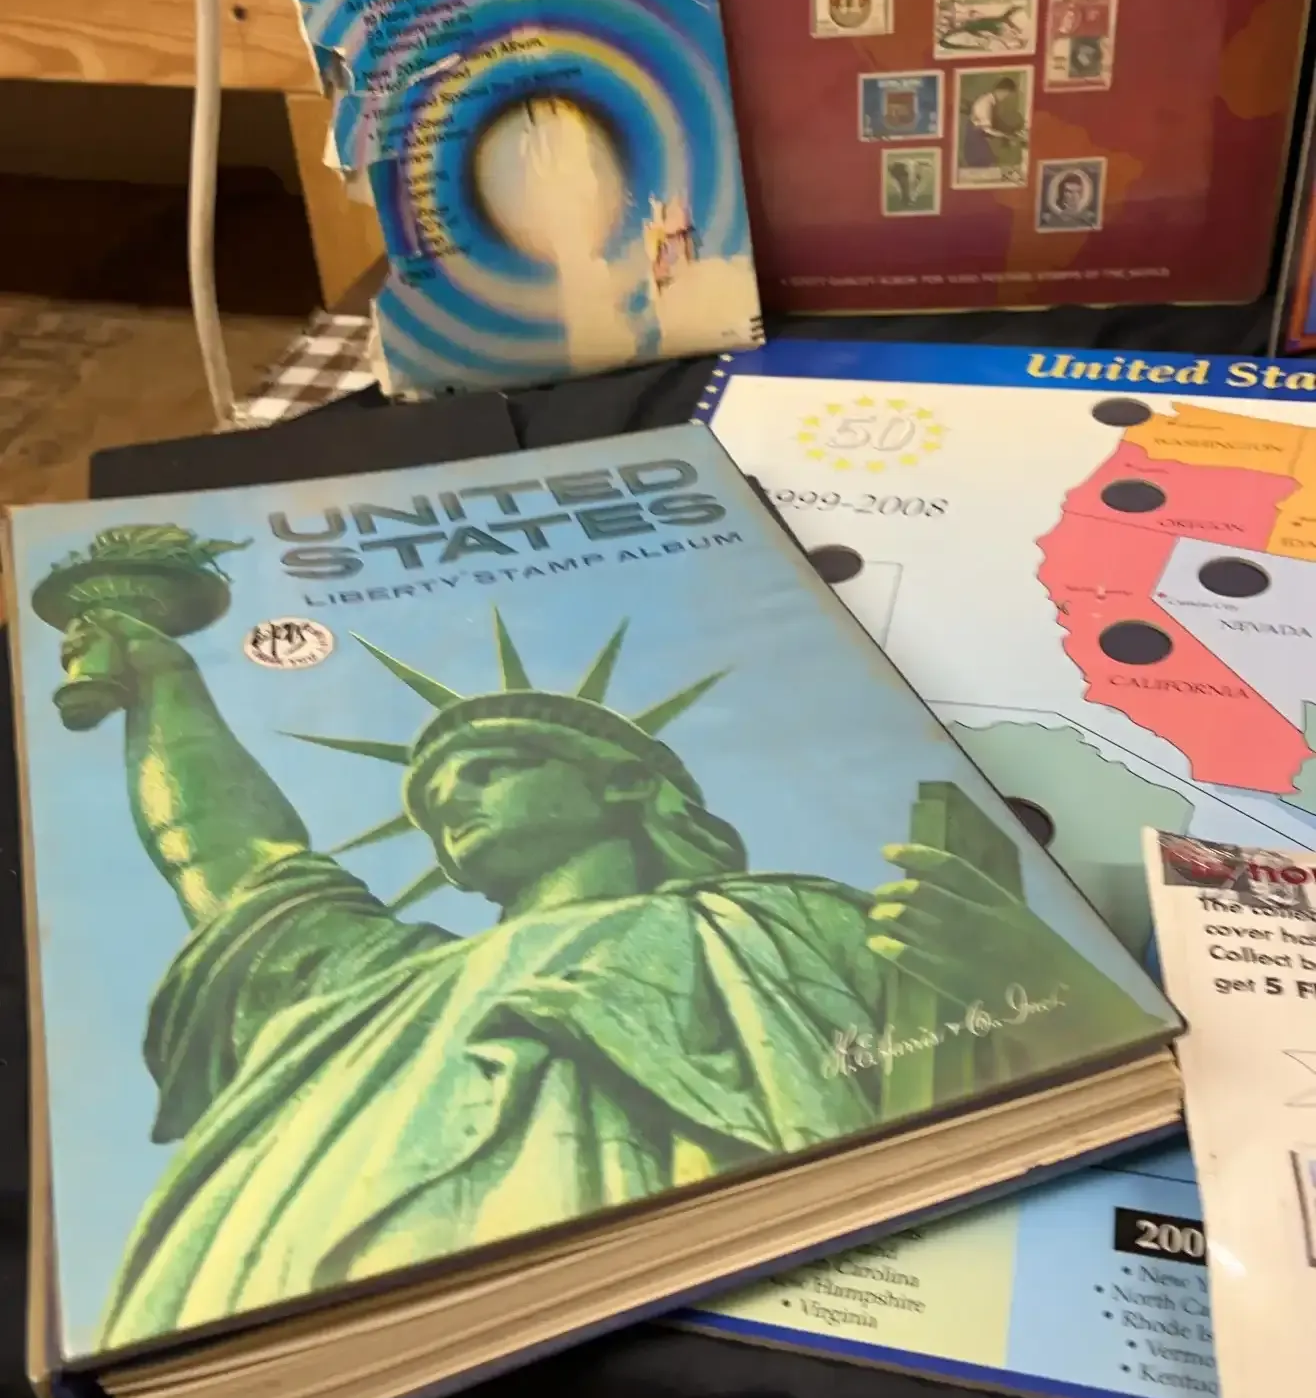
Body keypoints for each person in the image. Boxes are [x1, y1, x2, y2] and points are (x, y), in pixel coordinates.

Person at [40, 525, 1163, 1350]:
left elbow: (1063, 1076)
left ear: (620, 783)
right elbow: (234, 857)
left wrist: (1034, 972)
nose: (451, 803)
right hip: (334, 1290)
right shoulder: (379, 977)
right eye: (433, 800)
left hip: (724, 1293)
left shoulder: (781, 920)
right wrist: (169, 687)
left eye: (490, 768)